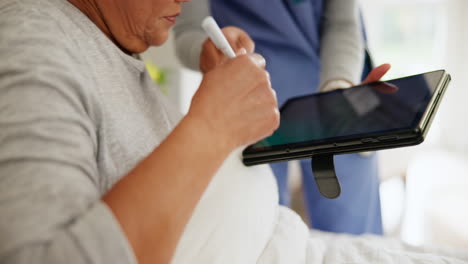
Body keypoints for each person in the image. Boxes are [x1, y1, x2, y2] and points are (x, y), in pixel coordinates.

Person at [1, 0, 468, 263]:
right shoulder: (34, 46)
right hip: (274, 236)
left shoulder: (117, 51)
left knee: (352, 200)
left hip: (290, 233)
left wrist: (339, 94)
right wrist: (211, 125)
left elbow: (343, 22)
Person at [174, 0, 383, 235]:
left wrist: (338, 88)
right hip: (253, 102)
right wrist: (206, 51)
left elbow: (343, 23)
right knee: (261, 233)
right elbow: (187, 32)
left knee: (353, 236)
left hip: (341, 89)